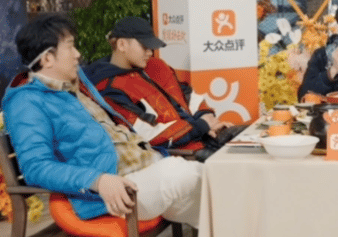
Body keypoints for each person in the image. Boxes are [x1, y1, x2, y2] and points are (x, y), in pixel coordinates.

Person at [2, 14, 201, 227]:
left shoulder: (75, 86)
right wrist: (97, 180)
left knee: (213, 203)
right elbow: (36, 168)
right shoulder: (26, 102)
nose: (77, 54)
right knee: (188, 173)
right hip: (117, 192)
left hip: (148, 169)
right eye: (70, 47)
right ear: (47, 58)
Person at [83, 17, 236, 161]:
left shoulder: (156, 66)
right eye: (144, 46)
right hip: (180, 155)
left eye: (151, 47)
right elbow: (147, 135)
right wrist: (201, 126)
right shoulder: (108, 87)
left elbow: (187, 94)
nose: (150, 52)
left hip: (203, 138)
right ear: (122, 45)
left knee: (244, 138)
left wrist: (208, 119)